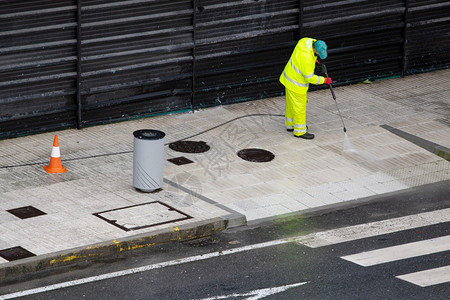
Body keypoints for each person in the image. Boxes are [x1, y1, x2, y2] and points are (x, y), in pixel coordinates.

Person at [279, 38, 332, 139]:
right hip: (296, 84)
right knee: (299, 107)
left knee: (290, 104)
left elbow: (303, 57)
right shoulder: (306, 58)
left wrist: (313, 58)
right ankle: (300, 131)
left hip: (288, 78)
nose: (318, 55)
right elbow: (310, 78)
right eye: (317, 53)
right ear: (315, 49)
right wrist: (324, 80)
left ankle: (290, 125)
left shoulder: (305, 41)